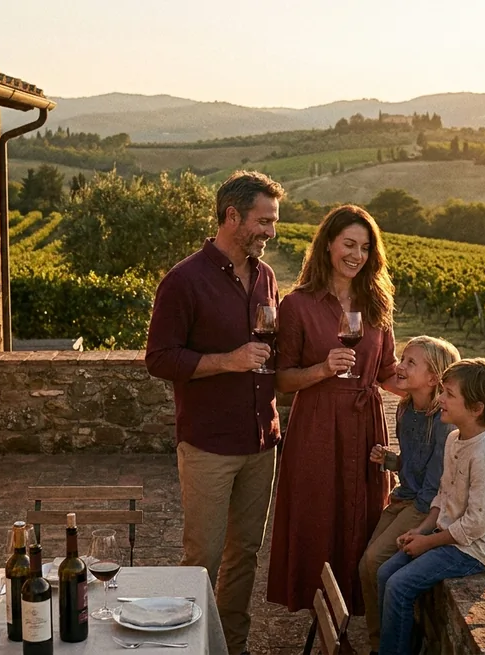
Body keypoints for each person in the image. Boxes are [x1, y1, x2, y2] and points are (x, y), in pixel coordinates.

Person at [145, 171, 285, 655]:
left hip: (261, 440)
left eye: (273, 222)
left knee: (245, 555)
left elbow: (272, 348)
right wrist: (228, 360)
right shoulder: (184, 281)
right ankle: (190, 646)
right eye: (263, 221)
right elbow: (159, 359)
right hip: (208, 445)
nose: (271, 232)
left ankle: (232, 646)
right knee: (201, 557)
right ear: (232, 216)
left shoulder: (265, 277)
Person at [267, 204, 399, 615]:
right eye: (348, 244)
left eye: (364, 247)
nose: (356, 255)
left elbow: (388, 371)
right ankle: (320, 609)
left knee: (363, 515)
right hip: (318, 423)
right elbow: (282, 380)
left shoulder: (377, 301)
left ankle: (353, 608)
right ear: (327, 245)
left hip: (365, 423)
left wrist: (438, 391)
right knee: (318, 513)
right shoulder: (298, 304)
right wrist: (323, 369)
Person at [376, 358, 485, 655]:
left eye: (449, 394)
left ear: (477, 408)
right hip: (447, 535)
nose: (440, 398)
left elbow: (474, 527)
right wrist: (421, 529)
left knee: (399, 586)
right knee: (384, 573)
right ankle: (397, 643)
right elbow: (443, 494)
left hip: (475, 550)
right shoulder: (455, 439)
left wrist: (428, 543)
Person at [359, 336, 460, 653]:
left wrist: (421, 524)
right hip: (404, 497)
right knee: (367, 564)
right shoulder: (405, 409)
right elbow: (413, 462)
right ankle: (382, 637)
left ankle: (384, 643)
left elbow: (435, 481)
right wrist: (390, 461)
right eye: (402, 359)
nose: (399, 367)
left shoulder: (441, 424)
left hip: (422, 505)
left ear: (433, 378)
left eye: (410, 362)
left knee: (374, 562)